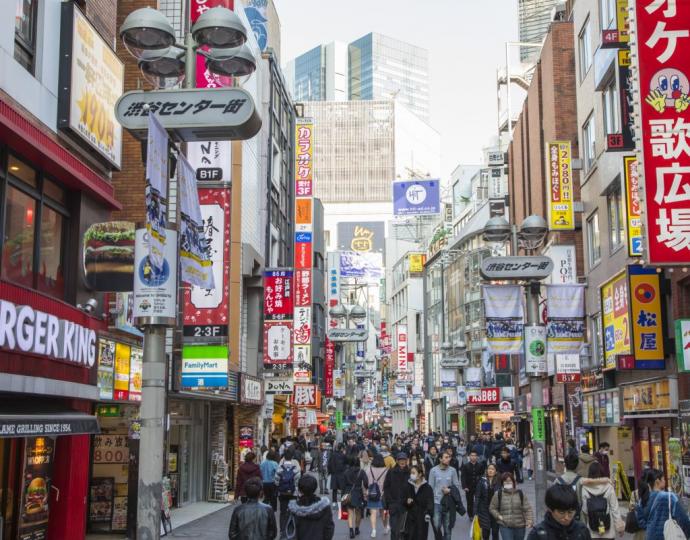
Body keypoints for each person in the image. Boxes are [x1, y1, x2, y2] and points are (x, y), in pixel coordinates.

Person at [635, 468, 690, 539]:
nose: (665, 481)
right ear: (657, 481)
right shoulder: (670, 497)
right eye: (663, 479)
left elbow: (641, 521)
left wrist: (651, 528)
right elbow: (683, 519)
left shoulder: (642, 500)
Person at [526, 484, 592, 540]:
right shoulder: (538, 534)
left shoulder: (582, 530)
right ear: (550, 509)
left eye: (570, 512)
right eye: (561, 512)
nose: (566, 517)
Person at [286, 475, 335, 540]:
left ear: (300, 489)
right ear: (315, 488)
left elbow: (291, 530)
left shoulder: (294, 509)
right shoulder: (324, 506)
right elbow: (329, 528)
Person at [580, 462, 621, 539]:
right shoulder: (608, 486)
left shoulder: (585, 488)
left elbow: (585, 510)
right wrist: (619, 526)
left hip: (592, 532)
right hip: (608, 531)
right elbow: (615, 508)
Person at [428, 450, 462, 540]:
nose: (448, 459)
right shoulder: (433, 470)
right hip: (436, 503)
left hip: (448, 503)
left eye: (449, 457)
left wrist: (449, 490)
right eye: (446, 457)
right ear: (440, 459)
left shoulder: (453, 470)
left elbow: (457, 486)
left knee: (448, 529)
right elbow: (430, 487)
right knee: (436, 525)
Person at [489, 472, 534, 540]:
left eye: (509, 481)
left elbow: (527, 508)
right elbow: (492, 508)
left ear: (513, 482)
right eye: (505, 481)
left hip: (520, 526)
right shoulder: (498, 494)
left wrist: (529, 520)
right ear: (502, 483)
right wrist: (498, 516)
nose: (507, 483)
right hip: (505, 526)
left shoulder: (520, 493)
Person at [383, 452, 411, 540]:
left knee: (402, 529)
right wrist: (389, 500)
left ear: (407, 461)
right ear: (397, 461)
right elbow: (386, 487)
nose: (402, 461)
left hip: (405, 505)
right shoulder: (391, 472)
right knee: (394, 529)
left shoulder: (410, 473)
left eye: (404, 460)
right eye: (400, 460)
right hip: (393, 504)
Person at [403, 465, 434, 540]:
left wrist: (427, 512)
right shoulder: (408, 486)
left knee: (421, 536)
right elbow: (403, 500)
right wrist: (407, 502)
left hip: (422, 518)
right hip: (410, 517)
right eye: (411, 473)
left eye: (413, 473)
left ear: (420, 474)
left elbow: (430, 502)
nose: (411, 475)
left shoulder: (427, 487)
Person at [275, 448, 301, 536]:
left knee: (283, 513)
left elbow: (276, 480)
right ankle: (292, 531)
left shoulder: (280, 466)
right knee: (294, 511)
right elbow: (298, 480)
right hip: (293, 493)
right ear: (292, 456)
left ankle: (282, 531)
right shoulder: (296, 465)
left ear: (284, 457)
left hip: (282, 493)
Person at [343, 454, 368, 538]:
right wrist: (366, 489)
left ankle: (351, 530)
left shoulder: (346, 471)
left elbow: (343, 484)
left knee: (350, 513)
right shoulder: (361, 471)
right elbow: (366, 482)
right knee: (358, 512)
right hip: (358, 493)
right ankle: (357, 528)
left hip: (348, 493)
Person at [476, 463, 501, 540]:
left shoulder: (499, 482)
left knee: (495, 532)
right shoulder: (482, 481)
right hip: (484, 510)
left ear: (496, 472)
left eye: (492, 469)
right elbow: (477, 496)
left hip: (495, 510)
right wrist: (475, 511)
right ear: (486, 470)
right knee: (485, 532)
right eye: (489, 469)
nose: (490, 470)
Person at [366, 453, 388, 538]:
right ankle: (385, 527)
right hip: (383, 494)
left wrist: (366, 492)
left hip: (372, 493)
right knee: (384, 512)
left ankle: (373, 530)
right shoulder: (386, 470)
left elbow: (365, 482)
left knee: (373, 512)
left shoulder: (369, 469)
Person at [553, 453, 583, 517]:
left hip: (561, 514)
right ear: (577, 466)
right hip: (577, 513)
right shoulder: (581, 480)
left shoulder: (558, 480)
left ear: (565, 465)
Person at [461, 450, 486, 519]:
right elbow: (463, 476)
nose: (473, 457)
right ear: (469, 457)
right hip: (468, 487)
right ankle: (471, 515)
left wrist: (483, 485)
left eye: (475, 456)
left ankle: (478, 513)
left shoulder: (480, 465)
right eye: (472, 455)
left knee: (479, 501)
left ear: (477, 457)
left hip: (478, 486)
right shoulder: (466, 466)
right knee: (470, 502)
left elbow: (482, 475)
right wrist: (464, 486)